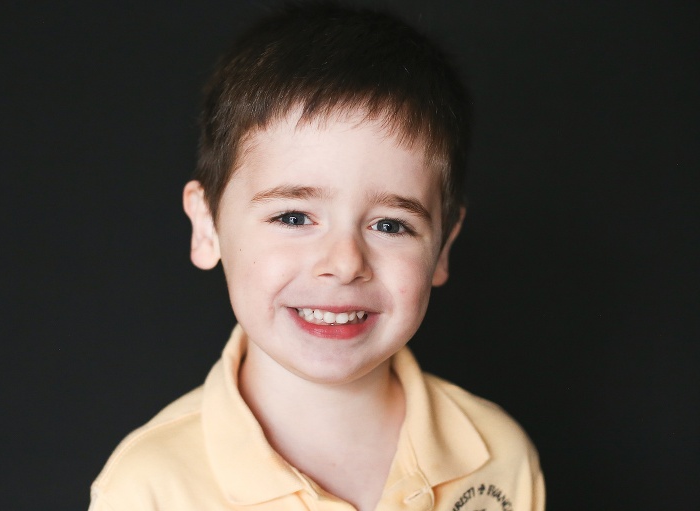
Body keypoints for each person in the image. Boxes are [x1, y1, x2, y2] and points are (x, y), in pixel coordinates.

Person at [88, 3, 544, 510]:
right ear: (207, 226)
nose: (345, 262)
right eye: (294, 217)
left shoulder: (498, 454)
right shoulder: (151, 486)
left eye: (390, 225)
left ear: (443, 246)